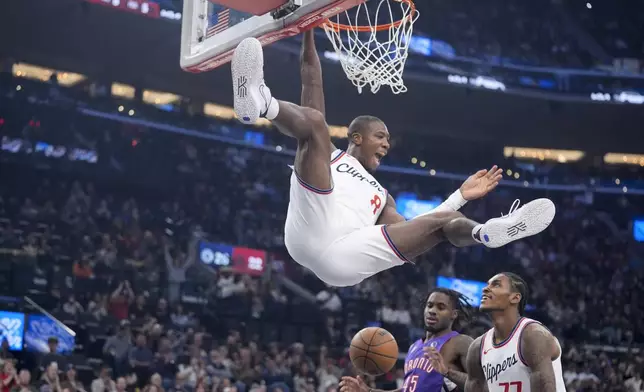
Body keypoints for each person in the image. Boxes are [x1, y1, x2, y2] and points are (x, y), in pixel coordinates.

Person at [231, 31, 556, 287]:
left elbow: (416, 229)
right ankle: (260, 102)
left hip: (346, 256)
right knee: (315, 123)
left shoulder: (381, 195)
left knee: (439, 224)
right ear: (356, 137)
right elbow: (311, 78)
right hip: (311, 230)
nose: (387, 145)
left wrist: (460, 197)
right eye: (380, 136)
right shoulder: (330, 154)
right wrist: (308, 27)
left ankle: (486, 232)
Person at [340, 288, 472, 392]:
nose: (432, 311)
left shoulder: (460, 342)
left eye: (441, 307)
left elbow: (484, 384)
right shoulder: (414, 347)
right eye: (429, 305)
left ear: (454, 314)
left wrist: (447, 372)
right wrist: (369, 391)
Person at [464, 273, 566, 391]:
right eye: (487, 285)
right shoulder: (477, 348)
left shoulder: (533, 335)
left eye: (496, 285)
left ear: (515, 298)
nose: (485, 288)